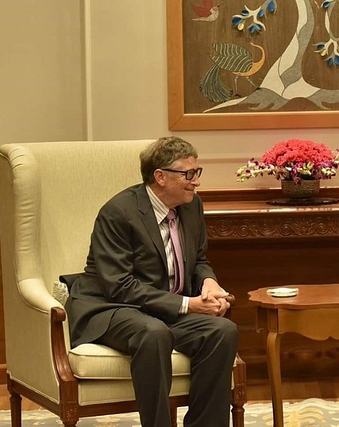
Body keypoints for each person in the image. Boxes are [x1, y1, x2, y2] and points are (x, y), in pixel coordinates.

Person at [64, 136, 239, 427]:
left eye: (197, 172)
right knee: (153, 333)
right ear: (160, 176)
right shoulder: (119, 213)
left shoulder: (191, 206)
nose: (195, 182)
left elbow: (199, 261)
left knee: (223, 331)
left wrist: (209, 283)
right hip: (110, 307)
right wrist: (188, 304)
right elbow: (119, 285)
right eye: (188, 174)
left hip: (161, 308)